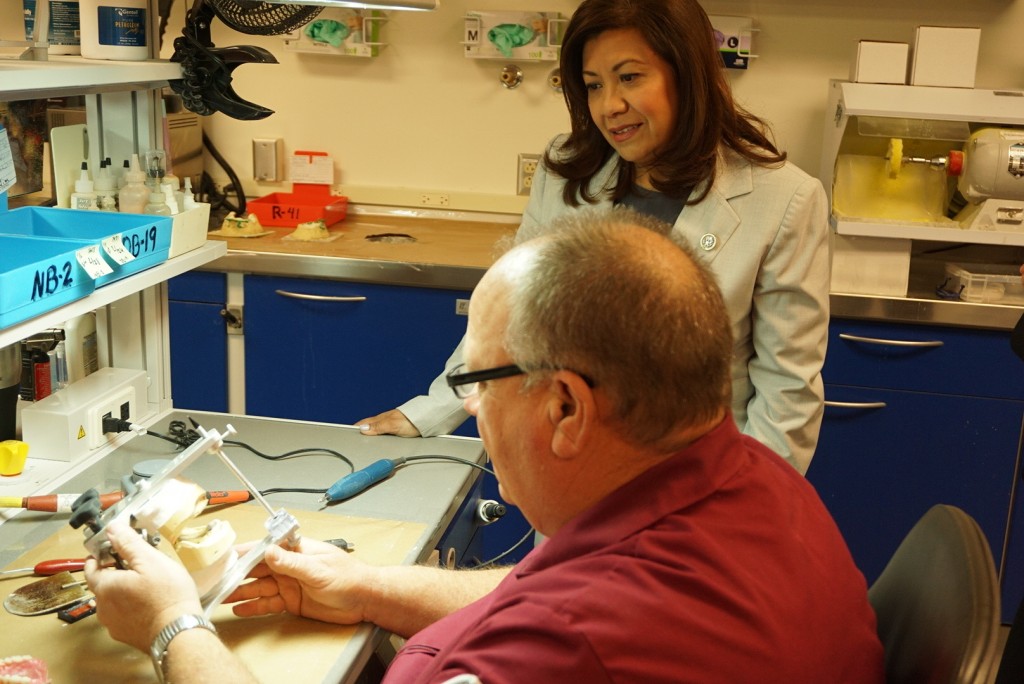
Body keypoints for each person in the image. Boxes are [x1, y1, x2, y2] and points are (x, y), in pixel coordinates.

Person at [85, 209, 883, 683]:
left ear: (566, 406)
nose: (470, 403)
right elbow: (544, 591)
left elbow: (569, 627)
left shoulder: (569, 647)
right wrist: (365, 586)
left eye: (479, 379)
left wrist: (172, 625)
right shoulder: (751, 486)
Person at [356, 0, 830, 474]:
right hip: (570, 475)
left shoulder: (783, 200)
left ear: (687, 74)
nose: (609, 106)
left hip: (695, 486)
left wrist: (745, 506)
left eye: (629, 77)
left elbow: (786, 395)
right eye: (593, 85)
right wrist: (430, 411)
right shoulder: (567, 171)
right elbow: (510, 315)